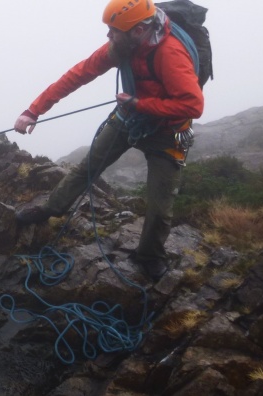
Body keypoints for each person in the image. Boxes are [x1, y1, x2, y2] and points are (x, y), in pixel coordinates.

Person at [13, 0, 203, 280]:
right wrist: (34, 110)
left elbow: (192, 106)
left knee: (160, 206)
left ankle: (150, 256)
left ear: (138, 30)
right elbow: (78, 75)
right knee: (87, 167)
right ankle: (50, 209)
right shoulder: (123, 46)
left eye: (114, 30)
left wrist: (139, 103)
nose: (108, 36)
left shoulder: (170, 53)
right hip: (130, 117)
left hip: (166, 130)